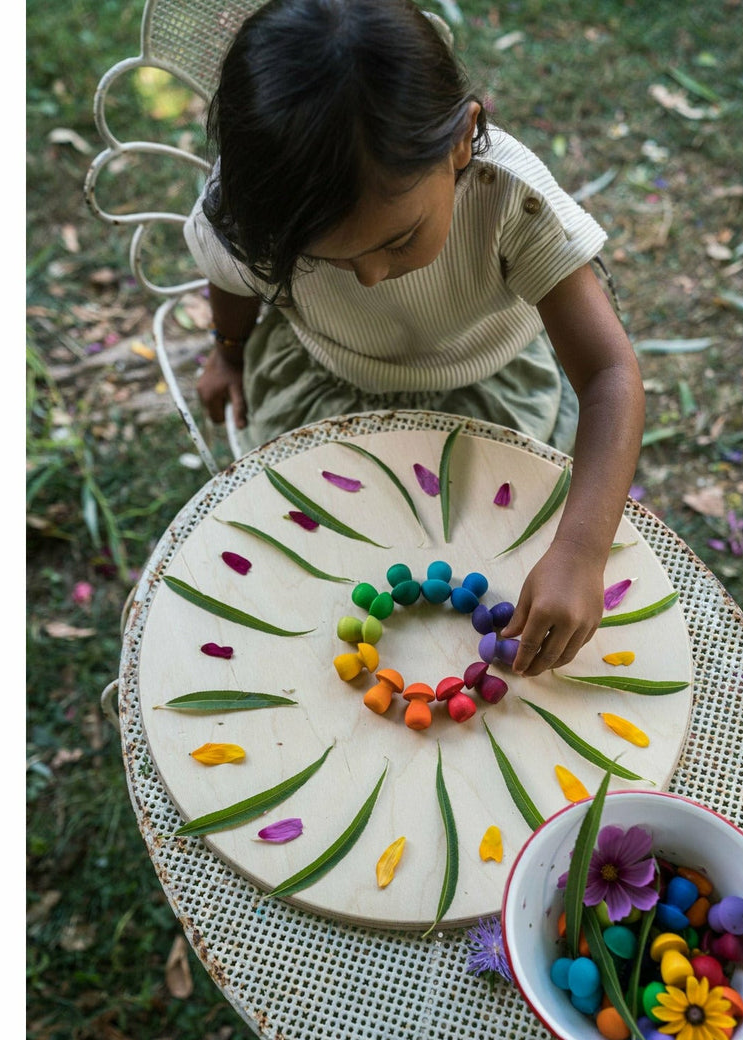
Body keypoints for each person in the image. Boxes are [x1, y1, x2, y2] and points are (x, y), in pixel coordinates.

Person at [184, 0, 645, 678]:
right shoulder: (256, 205)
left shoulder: (508, 198)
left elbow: (610, 374)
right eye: (331, 258)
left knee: (485, 562)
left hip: (486, 393)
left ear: (463, 139)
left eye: (397, 239)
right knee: (323, 587)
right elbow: (231, 276)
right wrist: (227, 354)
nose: (370, 276)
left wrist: (580, 551)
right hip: (329, 390)